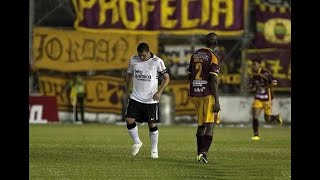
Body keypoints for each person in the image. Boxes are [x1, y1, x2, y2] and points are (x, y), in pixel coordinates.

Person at [124, 42, 170, 159]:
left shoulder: (157, 61)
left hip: (151, 99)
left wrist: (159, 92)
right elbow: (129, 75)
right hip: (136, 96)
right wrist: (126, 90)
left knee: (152, 124)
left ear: (148, 52)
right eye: (140, 55)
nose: (142, 57)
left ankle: (154, 150)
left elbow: (166, 78)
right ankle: (137, 142)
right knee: (129, 119)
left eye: (143, 55)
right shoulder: (133, 59)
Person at [187, 32, 221, 163]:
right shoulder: (213, 57)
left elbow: (189, 75)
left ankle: (198, 154)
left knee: (201, 124)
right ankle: (204, 153)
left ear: (205, 41)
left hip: (196, 93)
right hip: (207, 94)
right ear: (215, 44)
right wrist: (217, 101)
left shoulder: (195, 54)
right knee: (210, 124)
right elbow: (213, 79)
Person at [248, 59, 282, 141]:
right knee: (255, 115)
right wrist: (249, 88)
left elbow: (274, 82)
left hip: (267, 98)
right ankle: (256, 135)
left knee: (267, 119)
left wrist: (265, 87)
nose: (253, 66)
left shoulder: (265, 73)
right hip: (258, 98)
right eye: (252, 64)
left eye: (255, 64)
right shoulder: (253, 75)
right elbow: (252, 86)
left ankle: (276, 117)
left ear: (259, 65)